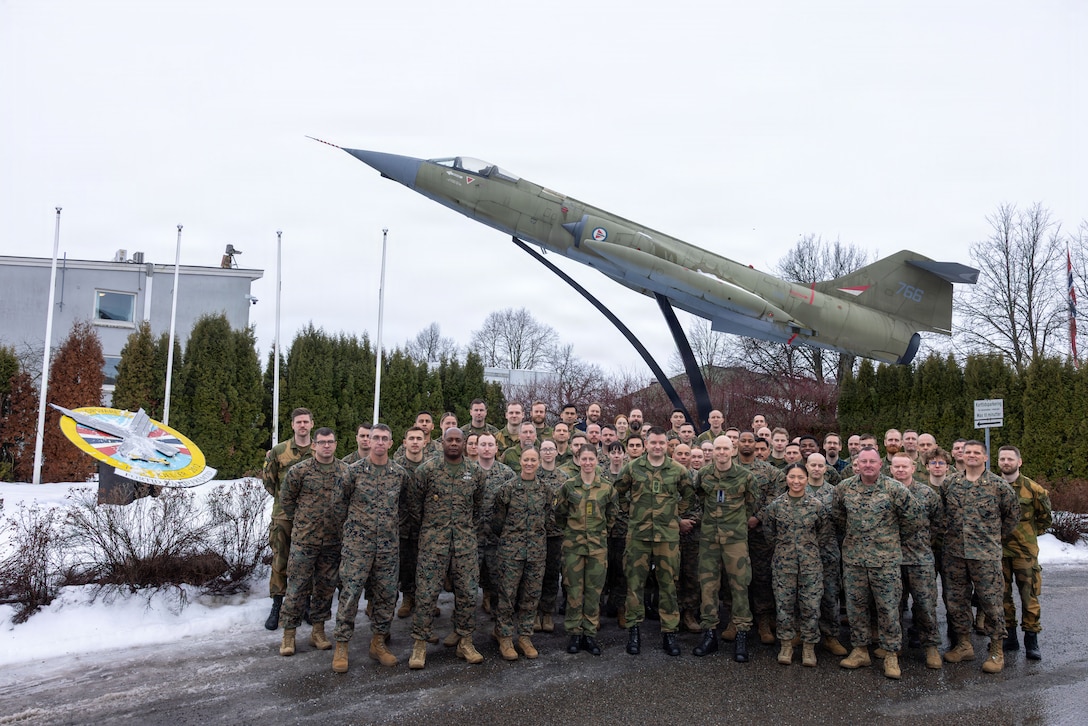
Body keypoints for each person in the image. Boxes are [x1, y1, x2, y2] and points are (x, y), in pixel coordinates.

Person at [831, 446, 921, 679]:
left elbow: (913, 519)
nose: (868, 465)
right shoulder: (844, 488)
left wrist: (891, 539)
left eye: (873, 461)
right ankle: (860, 650)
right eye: (864, 461)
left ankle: (891, 654)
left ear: (881, 464)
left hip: (886, 561)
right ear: (857, 464)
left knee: (889, 608)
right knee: (856, 608)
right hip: (854, 560)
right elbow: (839, 517)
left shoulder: (895, 489)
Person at [406, 428, 487, 669]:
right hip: (433, 543)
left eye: (458, 440)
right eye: (449, 440)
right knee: (426, 594)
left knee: (467, 593)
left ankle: (465, 641)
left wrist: (464, 528)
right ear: (442, 442)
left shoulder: (475, 473)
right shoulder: (427, 471)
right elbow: (414, 505)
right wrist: (431, 528)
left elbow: (478, 506)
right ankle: (419, 644)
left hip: (464, 543)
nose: (453, 444)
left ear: (464, 443)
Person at [613, 428, 696, 656]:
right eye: (653, 443)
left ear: (666, 445)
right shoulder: (633, 467)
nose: (657, 447)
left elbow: (689, 495)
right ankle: (634, 632)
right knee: (635, 584)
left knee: (668, 585)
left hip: (667, 537)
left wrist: (673, 514)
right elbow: (618, 492)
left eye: (661, 443)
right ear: (646, 444)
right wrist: (631, 511)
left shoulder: (678, 470)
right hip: (638, 535)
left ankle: (669, 633)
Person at [332, 424, 406, 672]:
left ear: (391, 443)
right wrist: (353, 532)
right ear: (368, 441)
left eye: (385, 438)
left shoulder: (399, 474)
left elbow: (406, 508)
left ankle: (378, 643)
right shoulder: (353, 472)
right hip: (358, 546)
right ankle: (342, 645)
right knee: (350, 594)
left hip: (387, 547)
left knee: (386, 596)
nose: (380, 443)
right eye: (376, 438)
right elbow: (338, 506)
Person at [941, 440, 1019, 673]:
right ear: (962, 456)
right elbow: (944, 512)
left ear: (986, 458)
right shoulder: (950, 483)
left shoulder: (998, 486)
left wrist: (992, 537)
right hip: (955, 553)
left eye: (977, 453)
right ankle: (964, 645)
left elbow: (1012, 516)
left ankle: (996, 649)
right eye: (968, 452)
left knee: (991, 603)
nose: (972, 456)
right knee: (956, 601)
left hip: (985, 555)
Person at [278, 427, 349, 657]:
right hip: (305, 541)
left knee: (325, 588)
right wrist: (303, 522)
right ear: (314, 445)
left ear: (336, 444)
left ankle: (318, 631)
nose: (326, 446)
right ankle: (289, 634)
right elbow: (286, 500)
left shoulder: (345, 472)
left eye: (330, 442)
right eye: (322, 442)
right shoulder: (299, 471)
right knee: (297, 587)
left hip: (332, 542)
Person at [691, 436, 758, 661]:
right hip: (709, 539)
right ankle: (709, 634)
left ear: (733, 450)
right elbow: (699, 497)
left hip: (735, 541)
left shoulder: (745, 476)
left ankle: (741, 636)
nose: (720, 452)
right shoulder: (703, 475)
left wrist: (735, 523)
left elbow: (751, 503)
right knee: (708, 587)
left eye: (725, 448)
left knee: (740, 587)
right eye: (717, 448)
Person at [763, 463, 832, 667]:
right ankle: (786, 645)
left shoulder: (816, 505)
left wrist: (808, 548)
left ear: (806, 478)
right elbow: (769, 532)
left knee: (810, 606)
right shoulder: (776, 506)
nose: (796, 481)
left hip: (810, 564)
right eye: (792, 477)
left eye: (800, 477)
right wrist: (783, 548)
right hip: (783, 564)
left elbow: (824, 532)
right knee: (784, 606)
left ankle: (809, 647)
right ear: (786, 479)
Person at [491, 447, 551, 661]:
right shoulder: (507, 489)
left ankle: (525, 636)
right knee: (507, 596)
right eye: (525, 459)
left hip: (536, 552)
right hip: (511, 552)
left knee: (531, 596)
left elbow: (548, 518)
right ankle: (505, 636)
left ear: (538, 462)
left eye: (533, 460)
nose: (529, 463)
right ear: (520, 462)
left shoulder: (545, 489)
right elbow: (497, 522)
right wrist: (511, 539)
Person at [556, 445, 616, 655]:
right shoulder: (569, 486)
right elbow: (560, 514)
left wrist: (599, 533)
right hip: (573, 547)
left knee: (593, 592)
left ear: (597, 461)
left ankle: (589, 634)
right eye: (584, 459)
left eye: (592, 459)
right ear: (578, 459)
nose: (588, 462)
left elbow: (612, 515)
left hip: (597, 547)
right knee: (573, 591)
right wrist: (573, 532)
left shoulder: (607, 487)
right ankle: (574, 633)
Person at [997, 445, 1052, 660]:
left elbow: (1045, 519)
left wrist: (1026, 535)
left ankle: (1031, 639)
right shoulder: (993, 487)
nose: (1006, 462)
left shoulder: (1034, 489)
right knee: (1002, 596)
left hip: (1025, 553)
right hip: (999, 551)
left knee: (1029, 596)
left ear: (1019, 462)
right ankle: (1009, 637)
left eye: (1010, 459)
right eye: (1002, 459)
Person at [890, 452, 944, 670]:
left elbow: (939, 524)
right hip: (891, 558)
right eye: (897, 467)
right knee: (892, 607)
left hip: (920, 559)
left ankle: (930, 646)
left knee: (925, 606)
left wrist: (924, 544)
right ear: (891, 469)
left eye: (905, 466)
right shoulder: (884, 492)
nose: (901, 470)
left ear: (913, 468)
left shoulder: (927, 494)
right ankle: (893, 647)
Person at [262, 407, 314, 630]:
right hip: (284, 516)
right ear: (292, 425)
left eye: (306, 422)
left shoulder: (320, 450)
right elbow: (269, 481)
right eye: (298, 422)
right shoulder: (279, 451)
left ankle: (306, 604)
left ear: (312, 424)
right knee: (280, 559)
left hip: (311, 518)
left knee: (308, 561)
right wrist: (285, 501)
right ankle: (277, 605)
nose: (302, 425)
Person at [805, 453, 845, 656]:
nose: (817, 468)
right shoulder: (797, 490)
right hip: (804, 553)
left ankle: (831, 635)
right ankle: (802, 633)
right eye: (813, 465)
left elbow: (842, 520)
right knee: (803, 595)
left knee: (830, 595)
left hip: (828, 552)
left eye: (820, 465)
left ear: (825, 469)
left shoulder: (835, 492)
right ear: (807, 466)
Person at [474, 433, 516, 622]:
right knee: (467, 584)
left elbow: (514, 506)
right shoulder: (469, 471)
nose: (487, 448)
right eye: (483, 444)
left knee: (498, 579)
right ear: (476, 447)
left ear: (496, 448)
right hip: (472, 537)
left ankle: (500, 624)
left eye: (490, 444)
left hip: (496, 539)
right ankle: (463, 626)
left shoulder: (507, 474)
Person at [394, 426, 428, 620]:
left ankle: (425, 601)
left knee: (424, 566)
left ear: (425, 442)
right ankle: (407, 599)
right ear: (404, 442)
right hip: (402, 526)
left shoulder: (432, 467)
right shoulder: (396, 468)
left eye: (419, 438)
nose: (415, 442)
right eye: (411, 438)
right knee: (406, 565)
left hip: (425, 526)